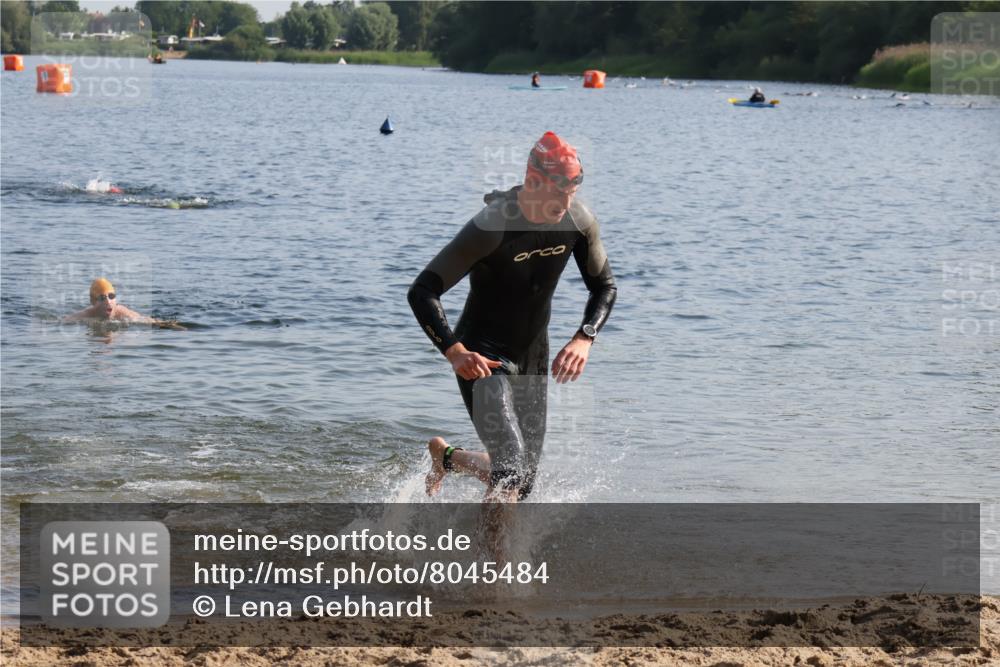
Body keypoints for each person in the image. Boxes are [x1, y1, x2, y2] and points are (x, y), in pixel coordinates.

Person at [408, 131, 617, 504]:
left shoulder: (578, 220)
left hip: (532, 354)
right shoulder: (491, 227)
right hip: (482, 355)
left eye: (573, 190)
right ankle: (498, 564)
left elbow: (605, 286)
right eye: (558, 191)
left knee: (522, 483)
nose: (566, 201)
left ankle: (447, 458)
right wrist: (454, 352)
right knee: (509, 474)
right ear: (534, 181)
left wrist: (584, 337)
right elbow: (423, 291)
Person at [63, 278, 184, 329]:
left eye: (111, 296)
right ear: (93, 302)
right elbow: (60, 322)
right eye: (102, 298)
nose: (108, 301)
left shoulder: (121, 313)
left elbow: (149, 321)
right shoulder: (85, 316)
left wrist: (172, 326)